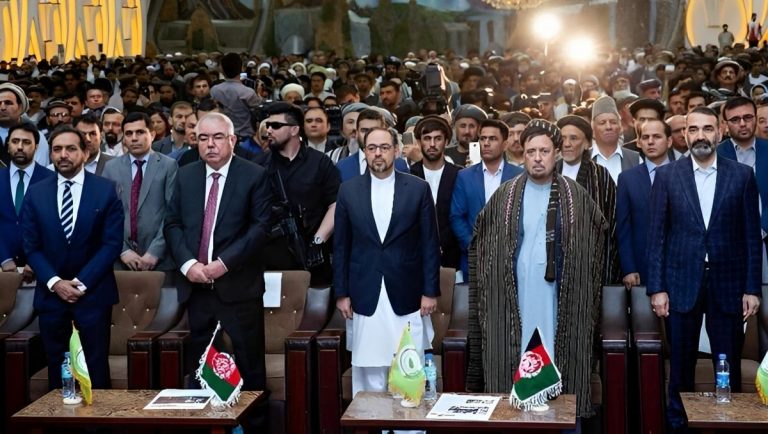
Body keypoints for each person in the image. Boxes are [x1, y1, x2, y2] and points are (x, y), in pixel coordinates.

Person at [467, 119, 606, 422]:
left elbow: (596, 242)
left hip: (559, 298)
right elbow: (482, 240)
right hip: (514, 296)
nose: (538, 158)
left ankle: (560, 418)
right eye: (531, 152)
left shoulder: (576, 196)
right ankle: (514, 419)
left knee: (556, 350)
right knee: (516, 351)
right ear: (522, 155)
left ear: (557, 153)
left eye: (544, 151)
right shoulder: (504, 196)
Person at [646, 106, 761, 432]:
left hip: (729, 285)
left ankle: (728, 424)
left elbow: (752, 236)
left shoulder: (742, 175)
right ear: (684, 135)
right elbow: (656, 237)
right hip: (680, 284)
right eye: (693, 129)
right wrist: (657, 288)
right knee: (681, 366)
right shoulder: (667, 176)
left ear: (720, 132)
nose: (700, 136)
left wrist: (752, 288)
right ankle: (678, 424)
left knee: (729, 364)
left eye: (707, 129)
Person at [164, 112, 272, 395]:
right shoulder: (185, 175)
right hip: (196, 288)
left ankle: (252, 419)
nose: (210, 144)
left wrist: (223, 264)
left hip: (238, 287)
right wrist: (189, 265)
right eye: (203, 138)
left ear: (232, 140)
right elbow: (172, 224)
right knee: (202, 367)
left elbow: (259, 228)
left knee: (249, 367)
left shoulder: (254, 175)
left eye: (217, 137)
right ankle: (206, 417)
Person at [334, 126, 440, 406]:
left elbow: (430, 244)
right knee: (369, 368)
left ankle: (409, 424)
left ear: (396, 150)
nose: (378, 153)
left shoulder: (418, 188)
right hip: (364, 291)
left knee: (408, 364)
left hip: (407, 292)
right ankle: (371, 422)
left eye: (384, 147)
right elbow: (341, 246)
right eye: (371, 148)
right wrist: (341, 293)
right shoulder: (348, 190)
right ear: (365, 153)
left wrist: (430, 291)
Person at [22, 125, 124, 391]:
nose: (63, 155)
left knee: (95, 369)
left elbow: (111, 244)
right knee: (58, 370)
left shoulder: (106, 190)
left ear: (85, 153)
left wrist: (80, 283)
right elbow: (31, 247)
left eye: (70, 149)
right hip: (51, 297)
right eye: (57, 149)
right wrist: (56, 283)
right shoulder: (36, 192)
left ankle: (98, 418)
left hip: (93, 296)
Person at [255, 102, 340, 286]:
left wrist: (318, 241)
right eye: (268, 125)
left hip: (313, 259)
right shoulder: (259, 165)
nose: (269, 130)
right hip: (269, 260)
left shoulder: (320, 162)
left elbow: (335, 204)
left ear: (294, 130)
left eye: (276, 125)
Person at [102, 112, 178, 277]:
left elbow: (172, 213)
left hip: (160, 260)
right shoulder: (111, 168)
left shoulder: (168, 166)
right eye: (129, 133)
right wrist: (122, 250)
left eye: (140, 132)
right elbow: (104, 214)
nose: (134, 138)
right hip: (120, 260)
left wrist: (155, 252)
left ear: (152, 134)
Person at [450, 119, 524, 280]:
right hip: (474, 260)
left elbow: (524, 216)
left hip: (511, 261)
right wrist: (473, 246)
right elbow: (456, 216)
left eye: (492, 139)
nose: (486, 143)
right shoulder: (464, 176)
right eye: (482, 139)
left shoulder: (519, 176)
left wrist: (511, 248)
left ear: (505, 144)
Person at [556, 115, 619, 284]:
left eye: (573, 138)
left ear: (587, 144)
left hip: (591, 262)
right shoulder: (549, 172)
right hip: (554, 262)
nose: (567, 144)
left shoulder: (600, 175)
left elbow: (612, 224)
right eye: (562, 138)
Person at [617, 119, 671, 288]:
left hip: (681, 267)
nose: (650, 141)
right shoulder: (627, 178)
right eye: (645, 137)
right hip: (642, 268)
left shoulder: (685, 174)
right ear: (638, 143)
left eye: (657, 136)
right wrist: (629, 268)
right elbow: (624, 228)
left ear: (669, 141)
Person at [0, 122, 55, 281]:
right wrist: (4, 258)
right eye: (15, 141)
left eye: (26, 142)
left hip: (41, 272)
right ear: (8, 146)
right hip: (2, 270)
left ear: (36, 147)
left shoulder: (52, 180)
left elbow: (54, 226)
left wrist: (37, 261)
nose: (20, 147)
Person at [409, 115, 461, 270]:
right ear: (419, 142)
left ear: (446, 141)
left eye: (438, 139)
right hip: (416, 259)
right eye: (427, 138)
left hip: (453, 260)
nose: (432, 144)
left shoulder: (459, 175)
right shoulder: (408, 175)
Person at [716, 96, 768, 238]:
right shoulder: (716, 155)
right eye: (735, 120)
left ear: (755, 118)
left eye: (748, 117)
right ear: (725, 124)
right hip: (729, 237)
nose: (743, 123)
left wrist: (763, 228)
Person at [210, 53, 263, 139]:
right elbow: (260, 109)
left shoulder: (214, 90)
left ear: (222, 70)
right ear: (241, 68)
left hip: (221, 134)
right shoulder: (248, 92)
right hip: (244, 136)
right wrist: (259, 95)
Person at [590, 95, 642, 183]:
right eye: (602, 123)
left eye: (613, 122)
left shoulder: (635, 160)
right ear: (593, 127)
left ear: (620, 126)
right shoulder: (582, 159)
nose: (608, 127)